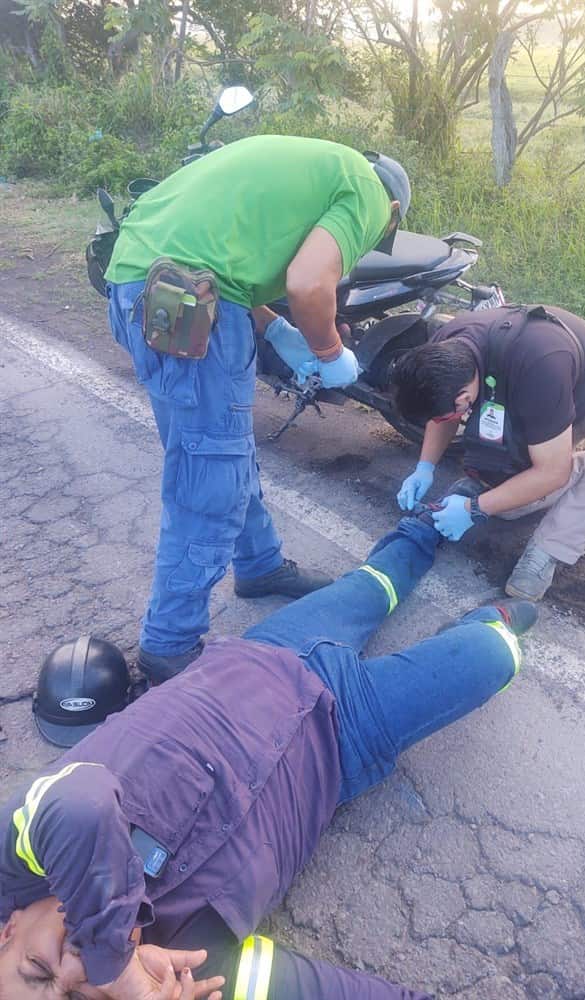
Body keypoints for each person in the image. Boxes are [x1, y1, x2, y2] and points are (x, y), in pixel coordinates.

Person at [0, 516, 536, 1000]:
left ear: (8, 931)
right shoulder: (194, 972)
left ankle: (433, 521)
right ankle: (480, 626)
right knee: (496, 653)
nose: (76, 970)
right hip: (342, 739)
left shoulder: (18, 866)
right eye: (77, 998)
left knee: (377, 582)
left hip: (261, 656)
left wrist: (113, 962)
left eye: (39, 969)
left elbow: (81, 806)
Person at [104, 137, 411, 682]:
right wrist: (328, 353)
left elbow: (232, 260)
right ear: (391, 212)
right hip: (191, 304)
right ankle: (169, 644)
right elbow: (309, 282)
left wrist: (277, 330)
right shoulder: (367, 189)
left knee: (218, 446)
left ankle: (259, 565)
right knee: (209, 478)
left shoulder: (303, 163)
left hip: (140, 289)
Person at [392, 304, 585, 601]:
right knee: (507, 503)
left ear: (465, 397)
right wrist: (424, 467)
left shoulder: (539, 361)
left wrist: (475, 509)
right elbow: (444, 413)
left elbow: (552, 472)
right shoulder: (445, 349)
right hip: (540, 403)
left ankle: (549, 548)